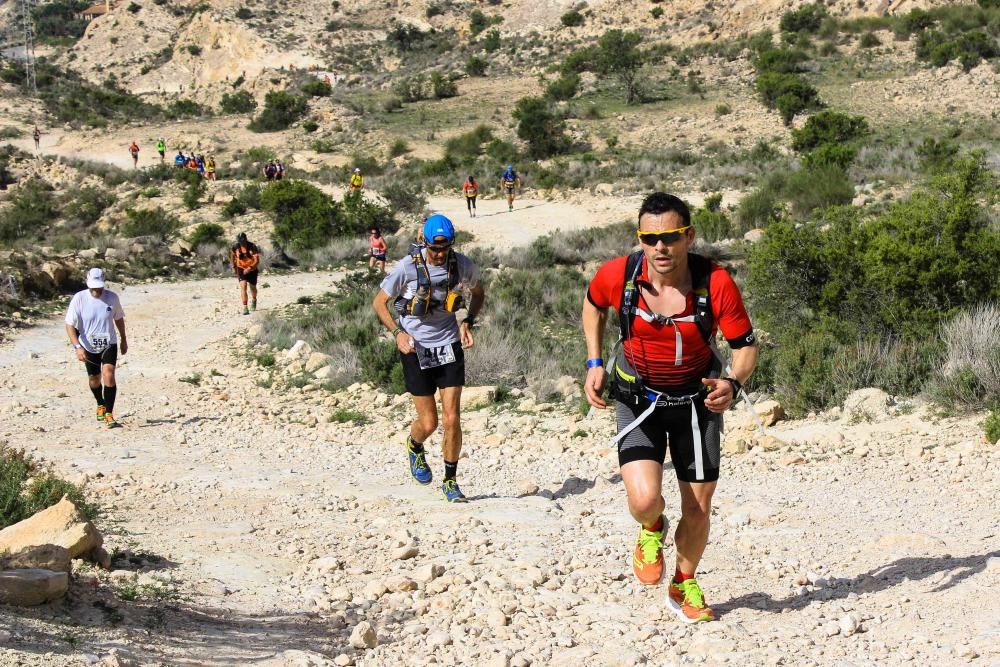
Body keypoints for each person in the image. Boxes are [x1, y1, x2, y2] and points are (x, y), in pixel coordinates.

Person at [581, 192, 758, 624]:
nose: (661, 247)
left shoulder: (714, 283)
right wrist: (594, 361)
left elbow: (746, 347)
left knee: (698, 508)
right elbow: (592, 305)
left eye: (671, 237)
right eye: (650, 237)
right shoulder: (618, 275)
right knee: (645, 501)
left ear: (689, 236)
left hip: (696, 405)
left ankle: (683, 581)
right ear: (641, 239)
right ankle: (652, 528)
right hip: (637, 399)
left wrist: (733, 383)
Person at [372, 214, 485, 503]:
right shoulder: (407, 268)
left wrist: (467, 321)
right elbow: (379, 302)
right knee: (430, 422)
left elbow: (479, 292)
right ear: (424, 242)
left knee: (452, 418)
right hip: (415, 348)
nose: (438, 254)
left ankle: (450, 481)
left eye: (444, 248)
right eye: (434, 249)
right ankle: (414, 444)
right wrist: (397, 332)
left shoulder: (461, 265)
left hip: (448, 345)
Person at [65, 268, 128, 429]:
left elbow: (119, 319)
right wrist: (77, 347)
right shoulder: (79, 299)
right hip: (87, 345)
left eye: (99, 286)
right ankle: (100, 403)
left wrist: (123, 339)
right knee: (94, 379)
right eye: (93, 286)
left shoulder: (112, 298)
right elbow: (69, 325)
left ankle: (109, 413)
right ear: (88, 283)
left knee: (109, 375)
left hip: (109, 343)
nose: (96, 290)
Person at [230, 232, 261, 315]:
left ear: (246, 239)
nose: (242, 243)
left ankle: (254, 299)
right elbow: (232, 257)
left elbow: (257, 261)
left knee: (252, 288)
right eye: (240, 241)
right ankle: (245, 307)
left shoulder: (253, 247)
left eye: (243, 241)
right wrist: (233, 267)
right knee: (243, 286)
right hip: (240, 269)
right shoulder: (235, 247)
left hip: (252, 269)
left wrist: (250, 268)